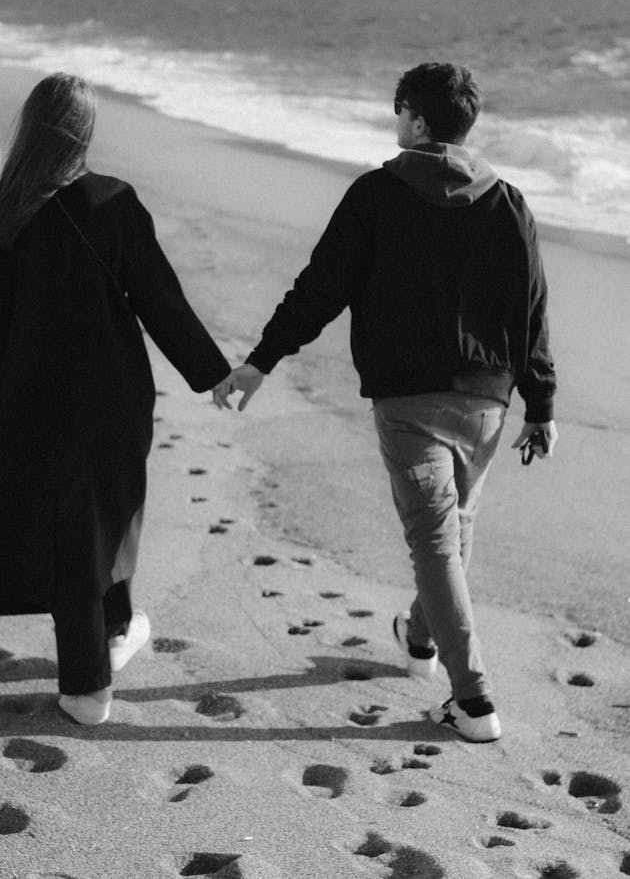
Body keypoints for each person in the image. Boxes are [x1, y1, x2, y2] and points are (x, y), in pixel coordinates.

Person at [214, 62, 557, 743]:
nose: (395, 123)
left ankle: (475, 698)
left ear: (419, 120)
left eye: (399, 111)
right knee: (450, 535)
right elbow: (532, 310)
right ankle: (420, 641)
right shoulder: (509, 200)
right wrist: (541, 403)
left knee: (437, 541)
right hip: (487, 403)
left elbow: (319, 289)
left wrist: (261, 361)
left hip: (408, 404)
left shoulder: (376, 194)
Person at [0, 73, 230, 725]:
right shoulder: (110, 202)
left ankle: (116, 627)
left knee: (102, 519)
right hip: (109, 399)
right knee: (84, 529)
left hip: (25, 397)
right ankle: (87, 685)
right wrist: (213, 374)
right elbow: (159, 298)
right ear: (83, 133)